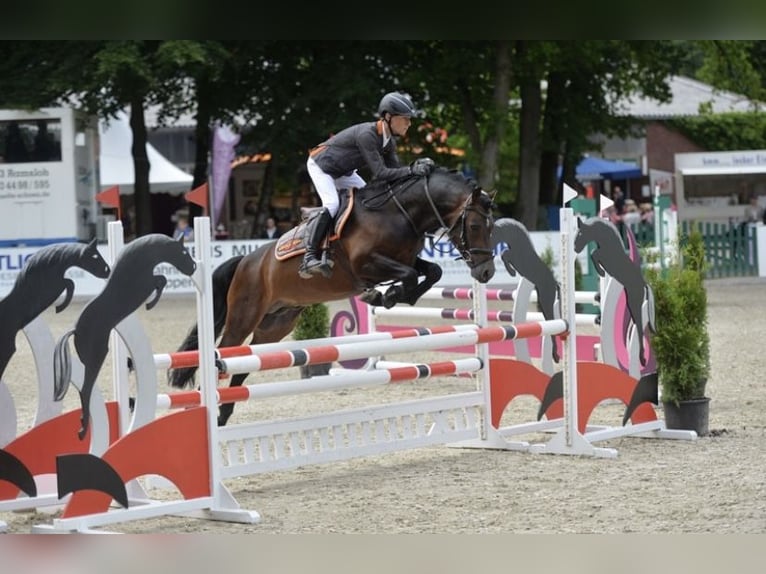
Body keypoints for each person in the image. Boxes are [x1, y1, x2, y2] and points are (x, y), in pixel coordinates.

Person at [299, 91, 435, 279]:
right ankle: (309, 257)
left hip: (344, 172)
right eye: (405, 119)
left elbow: (394, 178)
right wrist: (412, 169)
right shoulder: (367, 134)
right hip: (322, 166)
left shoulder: (388, 142)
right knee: (332, 204)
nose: (409, 123)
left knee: (371, 202)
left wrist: (419, 178)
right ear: (388, 117)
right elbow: (380, 174)